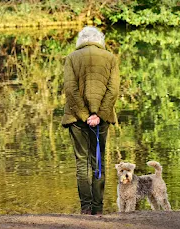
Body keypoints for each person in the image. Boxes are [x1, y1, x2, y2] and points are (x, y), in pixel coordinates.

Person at [62, 26, 120, 215]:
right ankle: (99, 208)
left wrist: (85, 116)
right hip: (101, 119)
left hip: (76, 118)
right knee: (98, 161)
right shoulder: (111, 58)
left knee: (82, 162)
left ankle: (86, 209)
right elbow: (113, 90)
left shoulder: (72, 57)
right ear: (99, 40)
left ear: (81, 40)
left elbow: (70, 90)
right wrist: (99, 115)